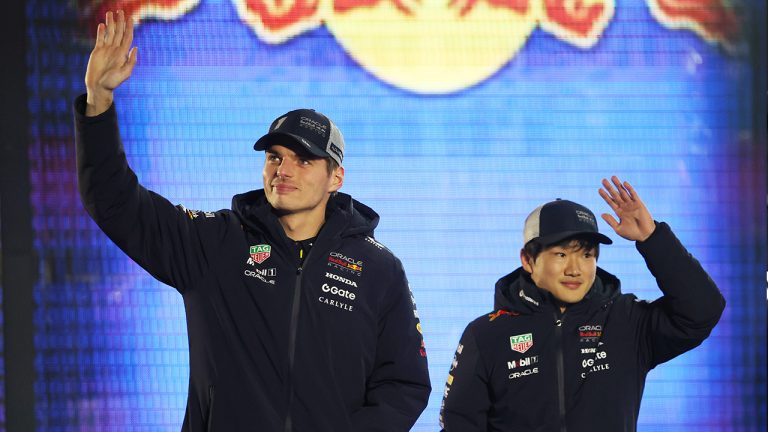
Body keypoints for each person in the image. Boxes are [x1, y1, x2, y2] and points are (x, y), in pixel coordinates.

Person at [75, 10, 430, 431]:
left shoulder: (378, 268)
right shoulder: (214, 242)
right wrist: (99, 102)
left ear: (336, 177)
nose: (284, 170)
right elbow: (114, 201)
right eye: (275, 157)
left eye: (303, 160)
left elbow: (404, 385)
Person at [439, 176, 725, 432]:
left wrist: (653, 239)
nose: (575, 269)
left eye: (587, 255)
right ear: (528, 260)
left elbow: (703, 310)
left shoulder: (627, 321)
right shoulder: (486, 335)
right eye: (561, 254)